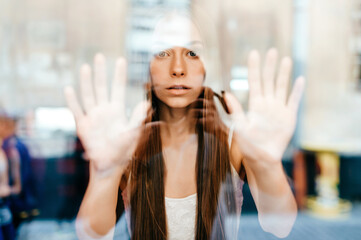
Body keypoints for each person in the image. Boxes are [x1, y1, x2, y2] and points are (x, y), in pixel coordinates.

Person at [64, 11, 305, 240]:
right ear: (146, 64)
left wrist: (268, 165)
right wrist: (104, 174)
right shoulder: (127, 143)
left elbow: (280, 226)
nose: (177, 69)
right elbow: (91, 235)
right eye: (162, 52)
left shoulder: (233, 142)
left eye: (192, 52)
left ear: (208, 64)